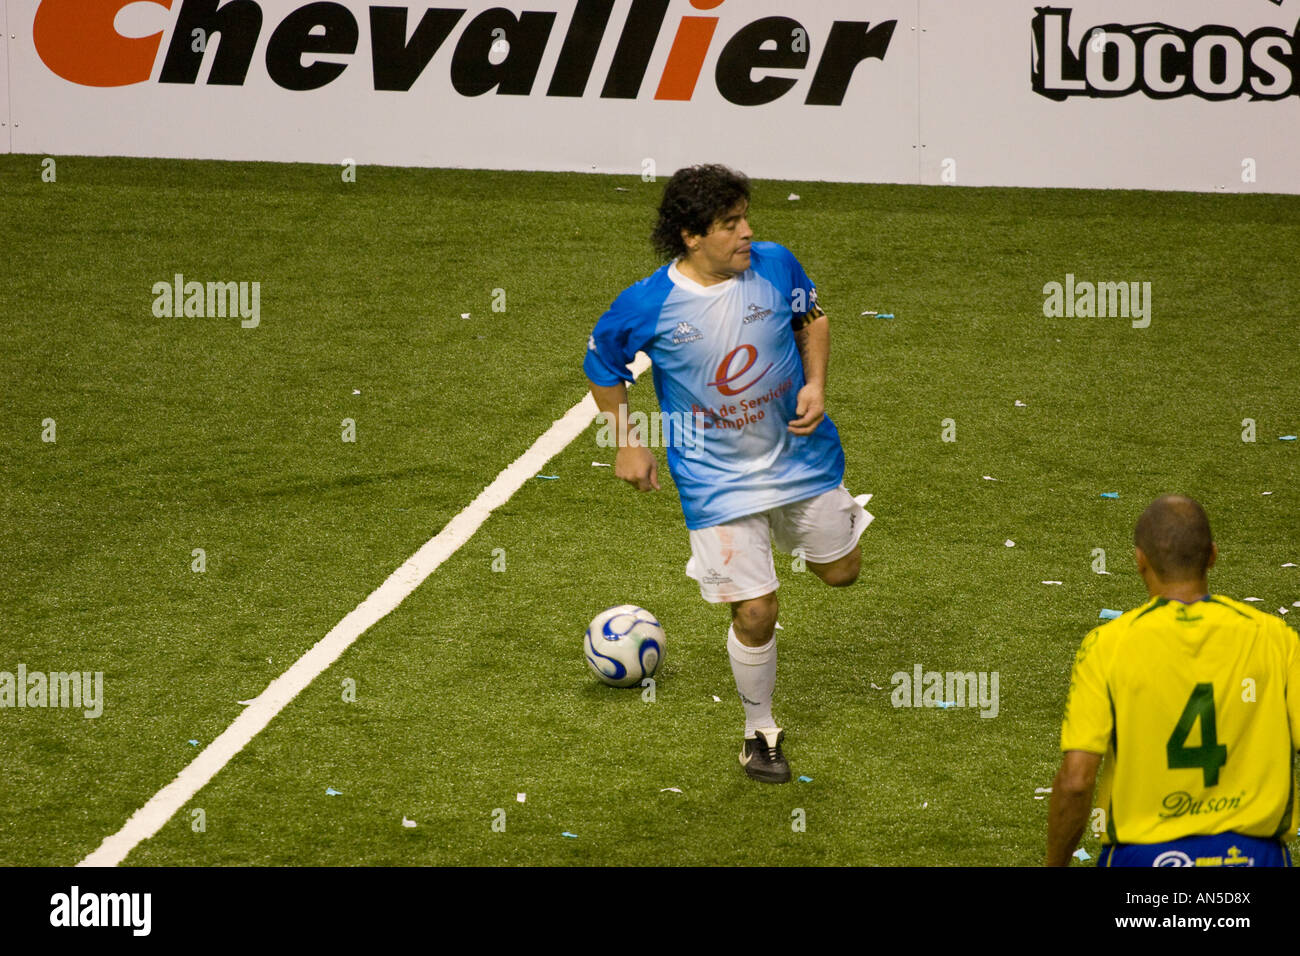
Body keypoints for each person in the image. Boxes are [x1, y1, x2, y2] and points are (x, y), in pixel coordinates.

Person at [583, 164, 870, 783]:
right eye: (730, 224)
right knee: (756, 612)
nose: (747, 234)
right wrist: (624, 443)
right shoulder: (647, 305)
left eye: (745, 219)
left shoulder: (775, 264)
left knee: (842, 572)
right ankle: (759, 731)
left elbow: (810, 319)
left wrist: (816, 384)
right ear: (691, 235)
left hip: (800, 458)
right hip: (715, 481)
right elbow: (602, 366)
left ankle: (800, 549)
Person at [1046, 494, 1300, 866]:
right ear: (1212, 555)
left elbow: (1076, 780)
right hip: (1253, 857)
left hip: (1142, 858)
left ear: (1139, 560)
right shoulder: (1276, 639)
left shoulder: (1108, 645)